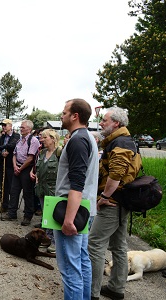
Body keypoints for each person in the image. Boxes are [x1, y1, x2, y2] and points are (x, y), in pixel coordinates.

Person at [88, 107, 140, 300]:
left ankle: (91, 293)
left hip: (112, 202)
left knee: (94, 244)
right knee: (118, 246)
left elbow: (116, 174)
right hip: (122, 201)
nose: (101, 123)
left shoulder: (120, 142)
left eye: (105, 120)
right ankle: (116, 289)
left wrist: (104, 197)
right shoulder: (121, 140)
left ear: (116, 123)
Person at [54, 98, 99, 300]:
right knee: (81, 261)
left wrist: (69, 220)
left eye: (64, 112)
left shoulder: (78, 141)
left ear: (75, 116)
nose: (61, 116)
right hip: (83, 209)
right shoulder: (86, 137)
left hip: (73, 211)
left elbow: (77, 184)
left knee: (71, 270)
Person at [1, 120, 40, 226]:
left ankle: (27, 216)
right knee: (13, 191)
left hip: (26, 168)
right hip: (17, 167)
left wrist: (20, 168)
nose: (21, 129)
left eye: (23, 127)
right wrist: (15, 166)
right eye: (21, 127)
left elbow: (30, 157)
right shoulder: (19, 140)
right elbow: (14, 154)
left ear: (29, 129)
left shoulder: (33, 141)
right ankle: (12, 213)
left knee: (27, 193)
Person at [31, 129, 62, 254]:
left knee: (54, 217)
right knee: (46, 216)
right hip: (42, 189)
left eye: (45, 138)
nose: (42, 140)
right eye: (41, 137)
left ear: (53, 139)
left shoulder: (60, 152)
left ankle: (54, 242)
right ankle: (47, 239)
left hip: (54, 189)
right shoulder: (42, 152)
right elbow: (38, 168)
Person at [0, 119, 19, 213]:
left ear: (10, 126)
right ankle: (4, 205)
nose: (3, 127)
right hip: (3, 164)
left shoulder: (16, 136)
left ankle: (12, 207)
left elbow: (12, 145)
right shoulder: (2, 137)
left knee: (12, 187)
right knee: (4, 185)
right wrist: (2, 153)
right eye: (2, 125)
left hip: (12, 164)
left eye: (5, 125)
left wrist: (2, 148)